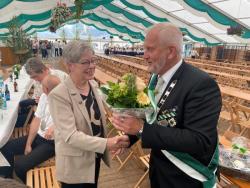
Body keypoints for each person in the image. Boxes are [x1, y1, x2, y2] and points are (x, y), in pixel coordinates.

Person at [112, 23, 222, 188]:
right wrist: (131, 138)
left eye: (150, 49)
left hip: (186, 177)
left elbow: (199, 140)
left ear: (170, 51)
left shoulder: (202, 84)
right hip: (159, 169)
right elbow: (153, 117)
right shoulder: (155, 78)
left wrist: (141, 130)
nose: (144, 55)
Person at [48, 41, 129, 188]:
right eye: (85, 62)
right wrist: (107, 143)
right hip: (75, 166)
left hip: (94, 156)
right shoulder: (59, 95)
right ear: (69, 65)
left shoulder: (93, 85)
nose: (92, 66)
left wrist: (119, 138)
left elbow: (97, 120)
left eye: (93, 60)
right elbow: (71, 136)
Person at [0, 75, 61, 183]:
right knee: (5, 149)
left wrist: (54, 127)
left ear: (46, 89)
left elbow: (69, 121)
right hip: (38, 136)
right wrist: (28, 144)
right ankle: (7, 181)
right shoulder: (44, 97)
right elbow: (36, 121)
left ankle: (27, 183)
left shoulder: (65, 101)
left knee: (20, 166)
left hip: (52, 143)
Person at [15, 57, 68, 128]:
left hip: (51, 115)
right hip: (39, 108)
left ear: (43, 70)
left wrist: (41, 105)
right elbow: (36, 97)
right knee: (20, 106)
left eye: (35, 76)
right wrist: (37, 101)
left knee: (17, 121)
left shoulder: (61, 78)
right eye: (32, 78)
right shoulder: (37, 80)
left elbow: (67, 104)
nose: (35, 79)